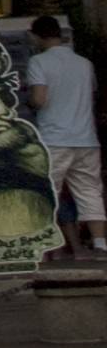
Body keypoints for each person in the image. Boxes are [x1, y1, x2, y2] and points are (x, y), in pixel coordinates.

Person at [25, 14, 107, 256]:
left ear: (37, 36)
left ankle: (43, 243)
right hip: (86, 137)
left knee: (47, 190)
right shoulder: (84, 63)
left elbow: (39, 99)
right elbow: (90, 96)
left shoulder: (38, 62)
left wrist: (29, 101)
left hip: (54, 138)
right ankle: (101, 243)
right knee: (90, 190)